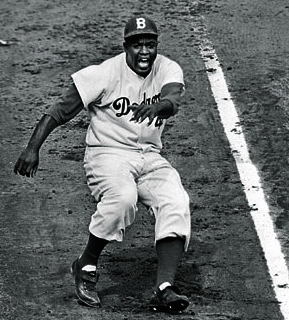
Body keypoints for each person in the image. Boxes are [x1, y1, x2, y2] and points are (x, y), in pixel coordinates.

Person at [13, 16, 191, 313]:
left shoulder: (168, 68)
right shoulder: (106, 73)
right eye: (137, 45)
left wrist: (161, 105)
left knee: (176, 201)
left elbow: (172, 96)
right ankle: (86, 265)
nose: (144, 52)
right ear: (126, 47)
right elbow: (59, 111)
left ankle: (164, 287)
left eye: (150, 44)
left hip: (150, 155)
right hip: (107, 154)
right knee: (123, 199)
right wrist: (33, 148)